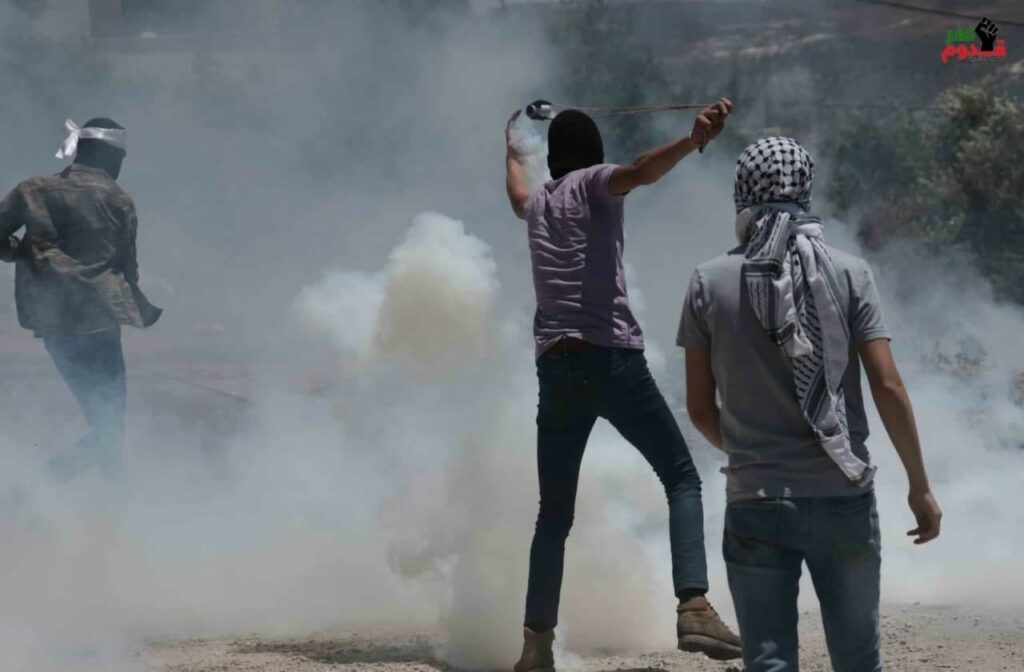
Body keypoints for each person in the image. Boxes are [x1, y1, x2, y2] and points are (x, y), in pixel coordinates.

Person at [678, 136, 943, 671]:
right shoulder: (850, 273)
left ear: (742, 192)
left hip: (755, 499)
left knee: (769, 661)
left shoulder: (708, 281)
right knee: (858, 660)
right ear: (805, 188)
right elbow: (887, 385)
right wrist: (919, 485)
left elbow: (700, 409)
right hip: (842, 495)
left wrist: (755, 456)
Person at [504, 98, 741, 670]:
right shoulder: (594, 184)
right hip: (611, 359)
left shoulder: (538, 203)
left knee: (553, 516)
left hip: (555, 368)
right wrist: (692, 140)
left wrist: (511, 142)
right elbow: (638, 171)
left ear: (553, 158)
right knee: (681, 477)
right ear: (592, 156)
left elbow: (515, 192)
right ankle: (694, 605)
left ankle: (536, 645)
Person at [0, 117, 161, 479]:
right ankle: (43, 486)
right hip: (98, 323)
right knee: (109, 424)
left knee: (104, 423)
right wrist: (139, 304)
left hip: (54, 323)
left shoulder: (33, 189)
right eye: (120, 159)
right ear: (109, 156)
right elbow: (127, 267)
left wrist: (19, 251)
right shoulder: (118, 200)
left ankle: (99, 494)